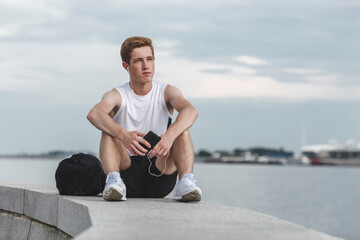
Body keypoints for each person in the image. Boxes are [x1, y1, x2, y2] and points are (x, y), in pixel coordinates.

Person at [87, 36, 202, 202]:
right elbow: (94, 113)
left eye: (150, 59)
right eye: (138, 61)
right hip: (127, 173)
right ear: (126, 66)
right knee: (108, 130)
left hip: (160, 170)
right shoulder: (117, 95)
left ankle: (186, 182)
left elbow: (191, 111)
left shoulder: (167, 91)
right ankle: (113, 181)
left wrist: (168, 137)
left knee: (182, 130)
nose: (146, 66)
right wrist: (123, 134)